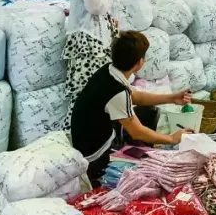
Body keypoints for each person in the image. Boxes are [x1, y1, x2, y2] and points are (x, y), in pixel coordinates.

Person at [70, 31, 192, 185]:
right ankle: (104, 172)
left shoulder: (110, 71)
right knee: (141, 176)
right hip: (94, 154)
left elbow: (134, 96)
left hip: (93, 136)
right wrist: (172, 138)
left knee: (149, 111)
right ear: (140, 62)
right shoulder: (116, 91)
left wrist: (171, 98)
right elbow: (137, 131)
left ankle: (139, 151)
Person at [63, 0, 124, 128]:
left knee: (98, 94)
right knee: (85, 94)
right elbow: (95, 7)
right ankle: (78, 139)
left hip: (98, 40)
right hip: (88, 42)